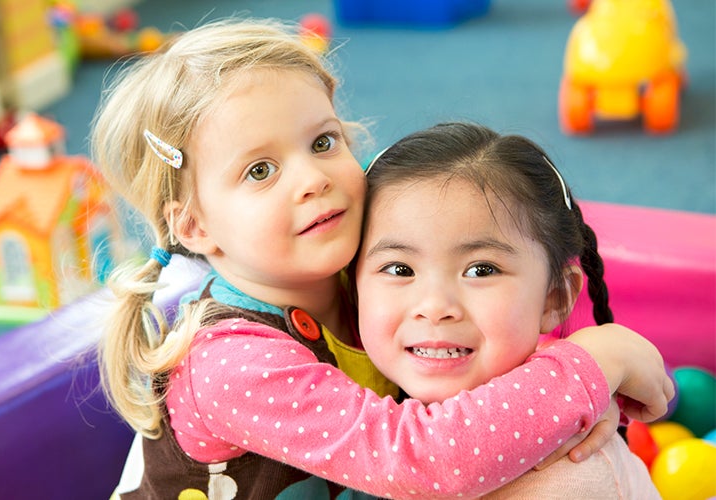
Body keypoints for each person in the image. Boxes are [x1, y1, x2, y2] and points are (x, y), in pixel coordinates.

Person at [90, 18, 673, 499]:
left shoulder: (358, 266)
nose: (313, 180)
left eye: (322, 142)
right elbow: (417, 461)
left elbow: (486, 331)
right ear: (194, 224)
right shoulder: (231, 364)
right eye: (260, 171)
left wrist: (569, 389)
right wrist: (585, 370)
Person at [355, 122, 660, 498]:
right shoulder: (347, 392)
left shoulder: (571, 474)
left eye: (481, 270)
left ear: (554, 298)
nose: (435, 307)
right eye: (400, 269)